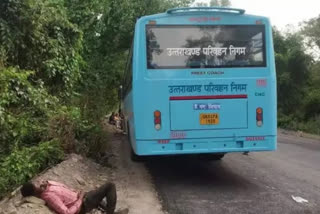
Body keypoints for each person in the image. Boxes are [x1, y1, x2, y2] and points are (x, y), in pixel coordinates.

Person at [20, 180, 117, 214]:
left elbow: (64, 188)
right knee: (110, 185)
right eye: (36, 184)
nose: (39, 183)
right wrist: (79, 199)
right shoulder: (49, 196)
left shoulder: (47, 186)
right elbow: (66, 212)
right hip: (83, 204)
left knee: (96, 194)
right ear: (34, 192)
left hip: (80, 197)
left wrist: (48, 183)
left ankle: (111, 211)